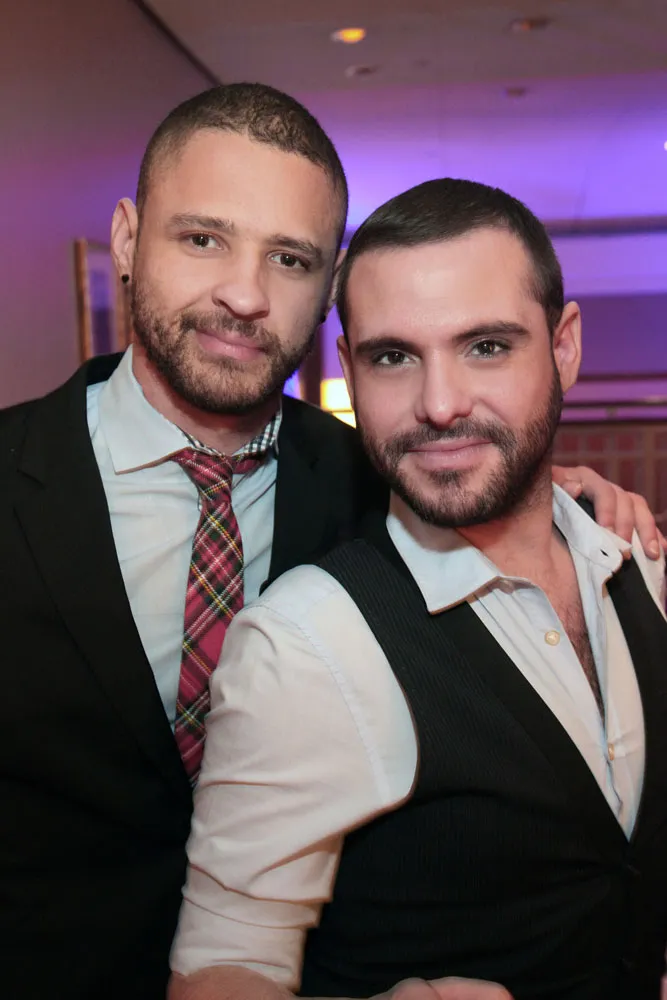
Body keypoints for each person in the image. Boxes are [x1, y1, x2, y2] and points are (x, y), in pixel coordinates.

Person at [0, 82, 657, 1000]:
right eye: (202, 239)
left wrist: (568, 502)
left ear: (327, 291)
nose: (244, 294)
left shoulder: (388, 472)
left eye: (290, 258)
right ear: (125, 239)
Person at [169, 178, 667, 1000]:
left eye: (486, 346)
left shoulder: (636, 562)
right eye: (393, 357)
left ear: (564, 347)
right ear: (350, 370)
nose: (438, 405)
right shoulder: (304, 644)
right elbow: (220, 970)